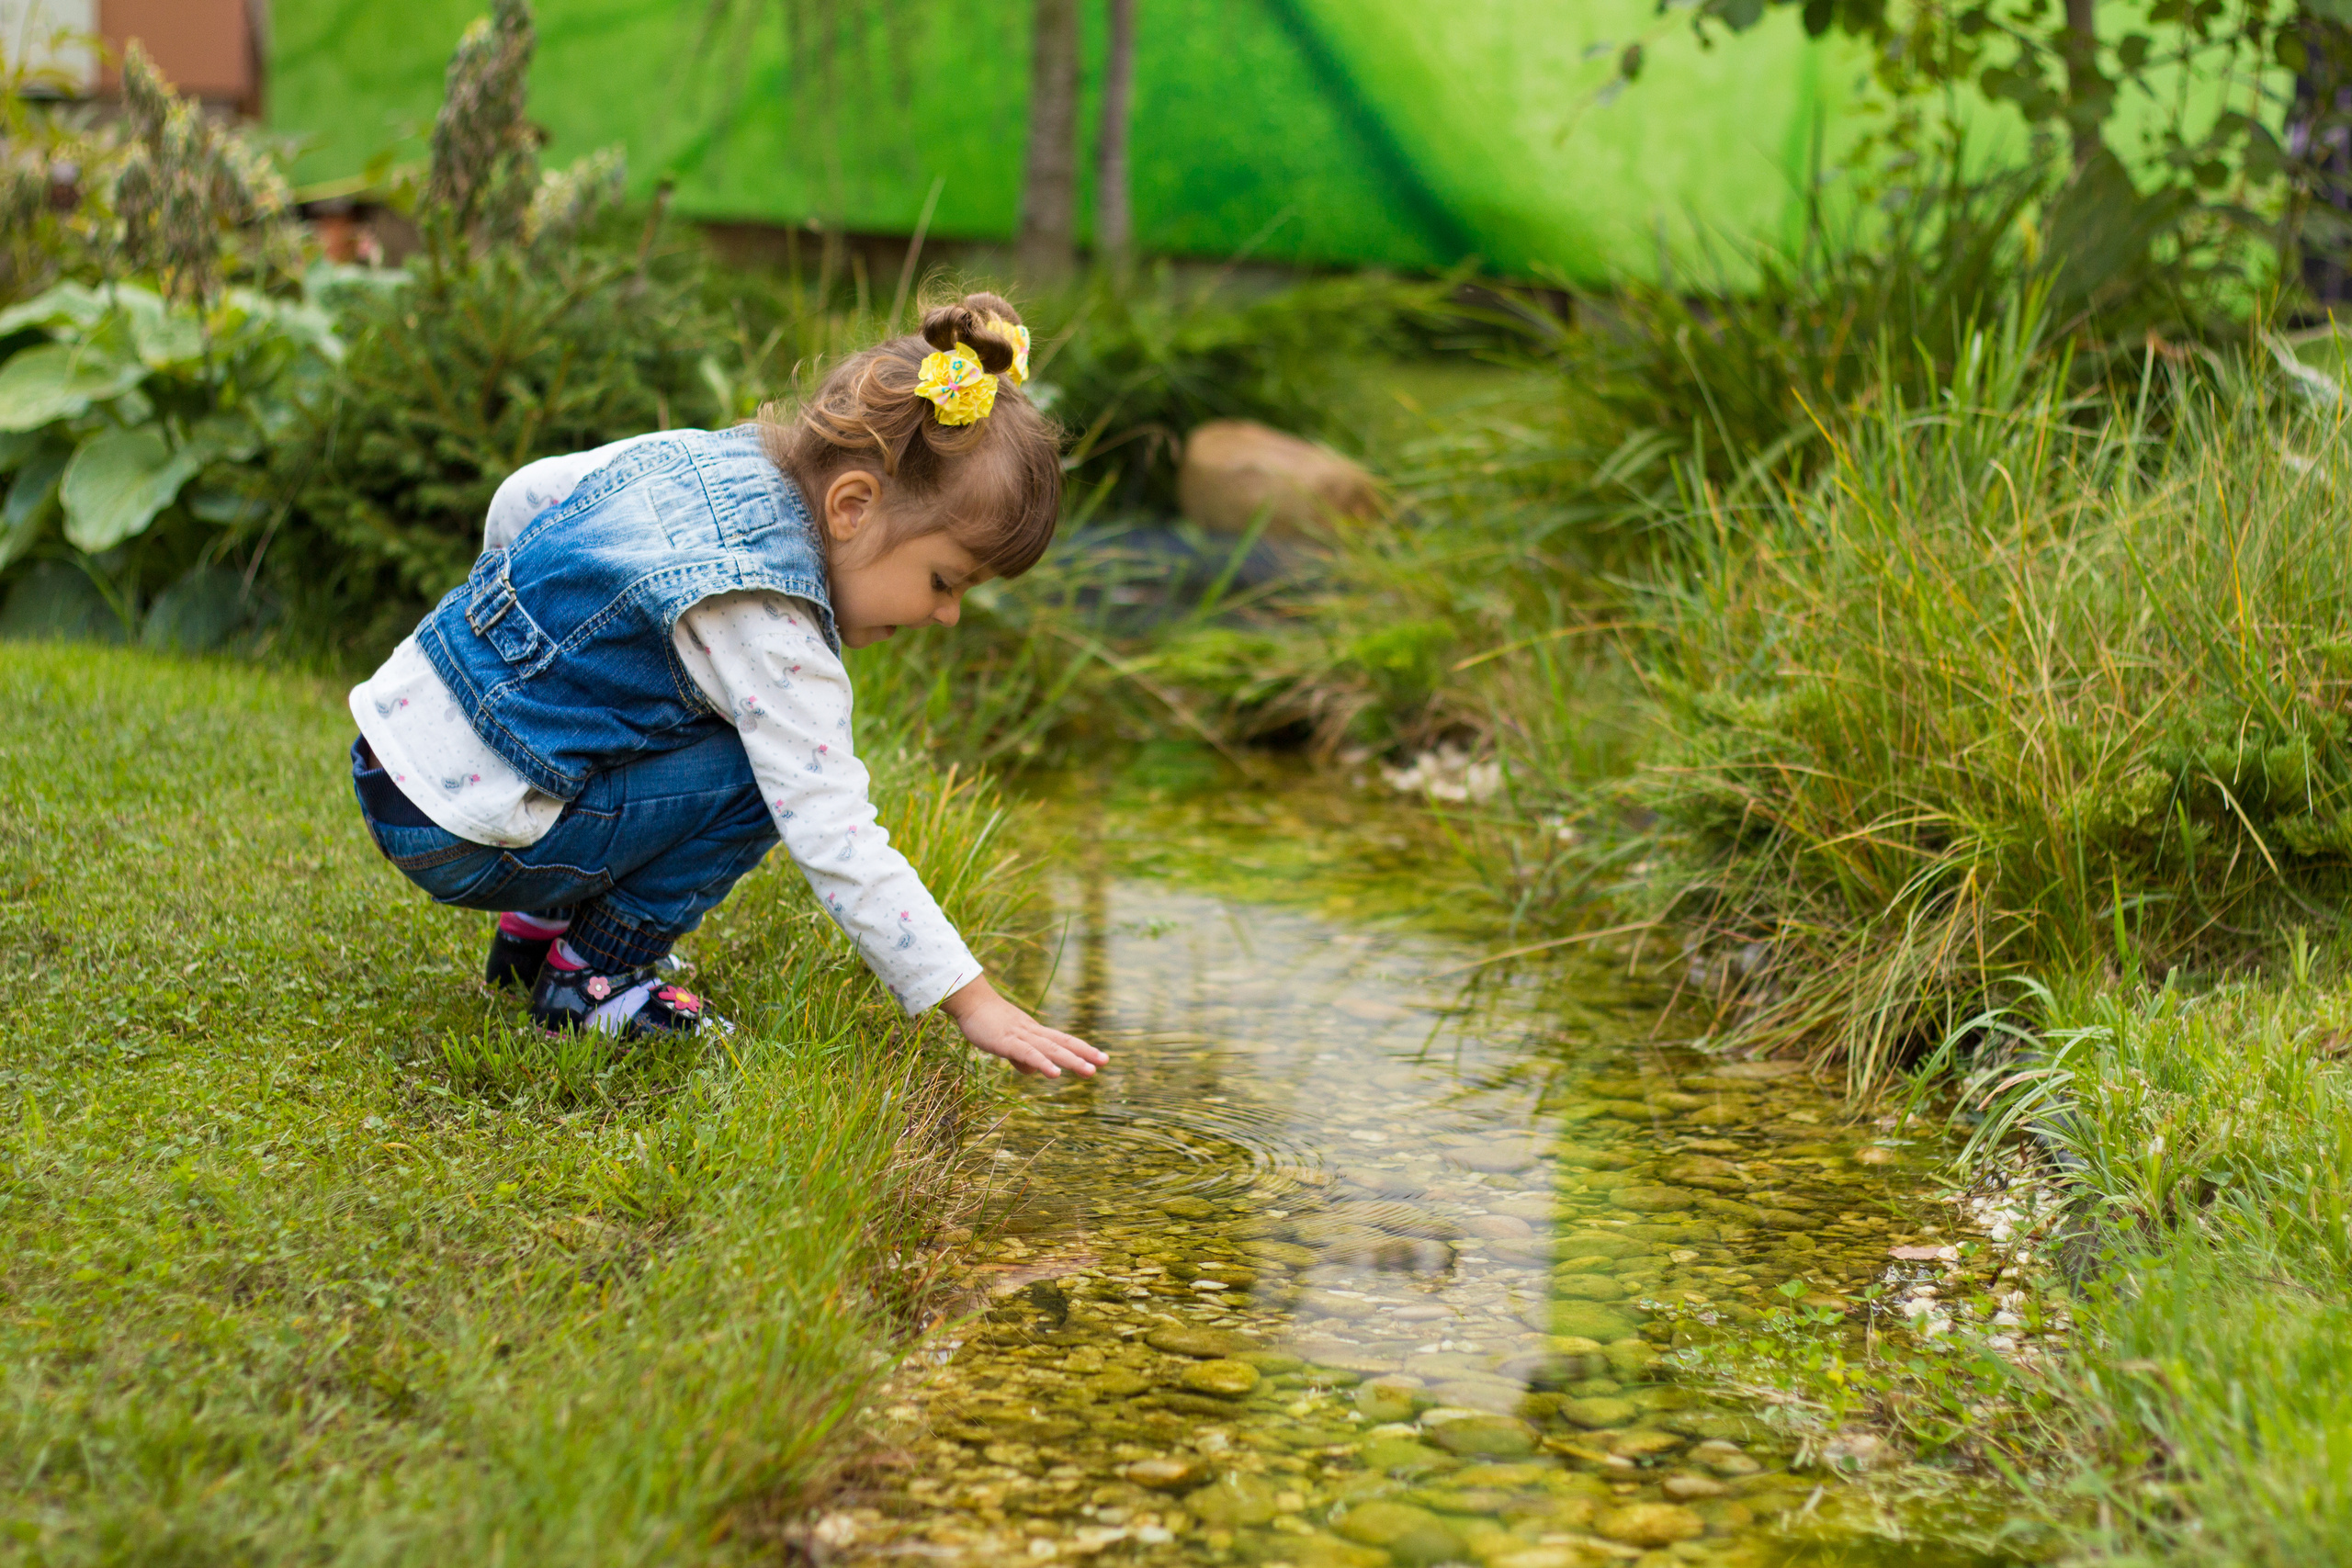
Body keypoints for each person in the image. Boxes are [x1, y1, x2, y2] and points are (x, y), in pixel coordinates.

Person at [345, 292, 1107, 1079]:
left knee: (674, 716)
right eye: (945, 580)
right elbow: (834, 827)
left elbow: (526, 494)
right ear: (852, 506)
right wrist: (972, 1000)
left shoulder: (710, 457)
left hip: (394, 752)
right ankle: (596, 981)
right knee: (760, 769)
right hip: (464, 831)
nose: (946, 615)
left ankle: (538, 931)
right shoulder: (773, 621)